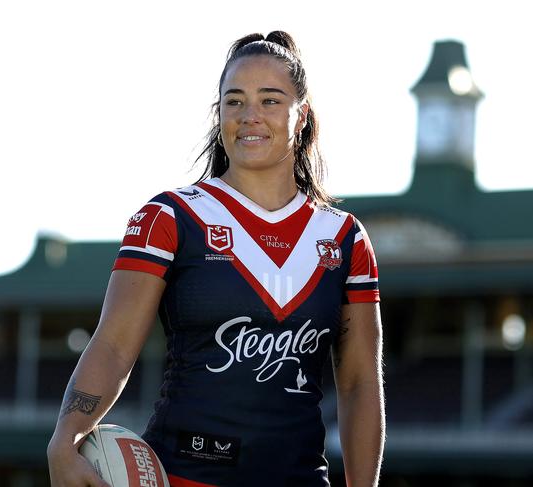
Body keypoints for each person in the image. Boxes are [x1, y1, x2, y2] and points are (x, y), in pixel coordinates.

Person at [47, 31, 385, 487]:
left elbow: (360, 381)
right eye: (234, 101)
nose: (250, 117)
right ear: (219, 113)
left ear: (301, 115)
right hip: (183, 474)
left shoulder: (344, 238)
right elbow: (113, 344)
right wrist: (66, 436)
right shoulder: (169, 217)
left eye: (270, 101)